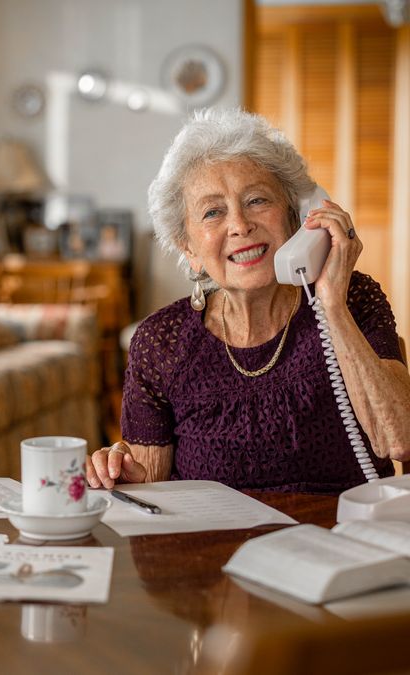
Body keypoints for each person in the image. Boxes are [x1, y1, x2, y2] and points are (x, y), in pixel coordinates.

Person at [86, 108, 410, 495]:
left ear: (297, 217)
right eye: (212, 211)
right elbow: (149, 488)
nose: (239, 225)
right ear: (188, 248)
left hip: (340, 543)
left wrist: (332, 306)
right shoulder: (161, 342)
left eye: (257, 200)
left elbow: (399, 440)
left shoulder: (353, 299)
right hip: (213, 550)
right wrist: (123, 475)